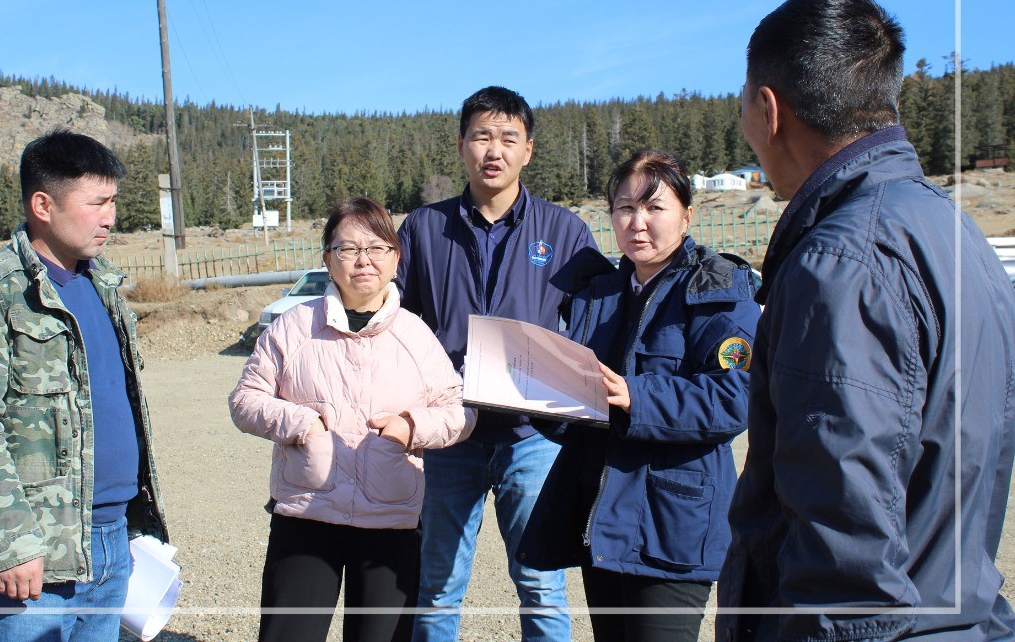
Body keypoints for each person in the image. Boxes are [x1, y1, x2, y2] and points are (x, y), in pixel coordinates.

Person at [717, 0, 1015, 641]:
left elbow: (842, 568)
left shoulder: (840, 267)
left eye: (739, 103)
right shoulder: (953, 232)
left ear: (768, 110)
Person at [0, 129, 169, 642]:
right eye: (97, 202)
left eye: (113, 202)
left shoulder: (104, 286)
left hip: (111, 541)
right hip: (34, 553)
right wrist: (12, 542)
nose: (110, 216)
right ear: (43, 204)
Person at [521, 150, 759, 642]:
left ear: (687, 214)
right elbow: (586, 403)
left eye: (655, 207)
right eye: (625, 208)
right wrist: (540, 398)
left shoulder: (718, 288)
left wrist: (636, 395)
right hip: (604, 515)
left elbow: (737, 395)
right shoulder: (600, 294)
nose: (638, 222)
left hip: (674, 524)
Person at [396, 85, 599, 642]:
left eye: (509, 138)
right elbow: (398, 325)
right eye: (482, 135)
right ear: (461, 145)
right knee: (437, 584)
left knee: (541, 585)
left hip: (530, 437)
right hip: (448, 438)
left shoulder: (564, 233)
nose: (494, 150)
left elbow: (590, 328)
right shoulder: (423, 229)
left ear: (528, 150)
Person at [230, 197, 474, 642]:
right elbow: (245, 400)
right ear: (327, 259)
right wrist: (300, 422)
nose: (364, 260)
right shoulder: (293, 327)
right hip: (306, 514)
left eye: (377, 248)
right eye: (348, 248)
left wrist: (412, 427)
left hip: (391, 521)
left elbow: (460, 413)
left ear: (396, 259)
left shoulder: (417, 337)